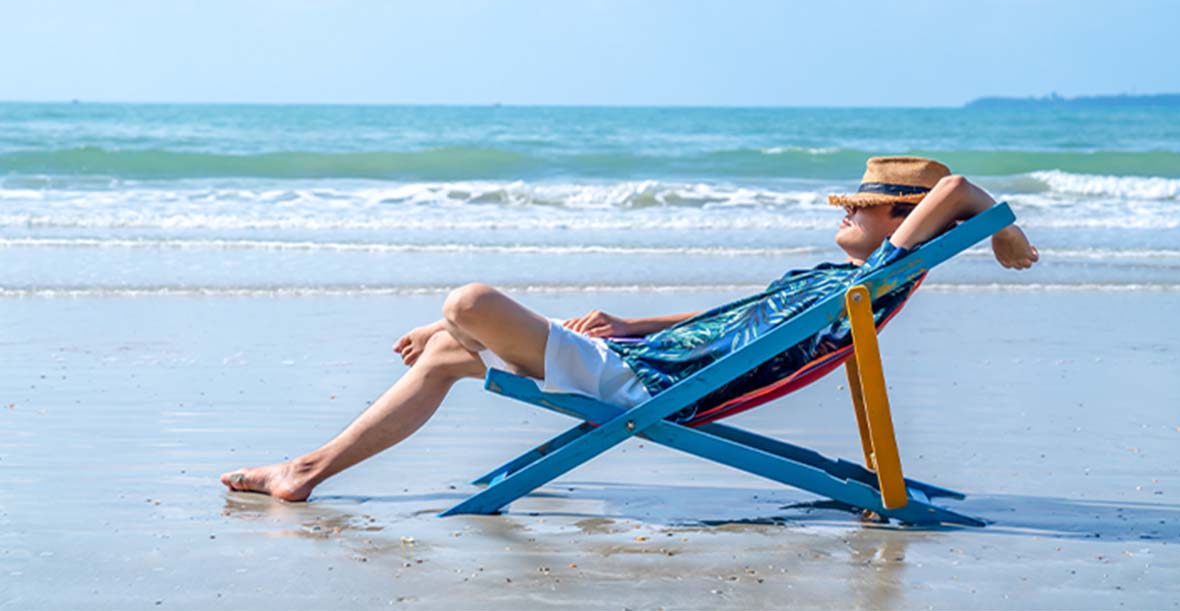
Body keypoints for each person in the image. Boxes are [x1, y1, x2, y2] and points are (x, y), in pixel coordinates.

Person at [221, 156, 1038, 501]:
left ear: (901, 222)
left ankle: (315, 459)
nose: (849, 210)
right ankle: (306, 469)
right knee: (443, 350)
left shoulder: (872, 277)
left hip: (643, 386)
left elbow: (958, 189)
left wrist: (1001, 229)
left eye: (864, 205)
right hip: (637, 359)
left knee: (466, 303)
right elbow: (735, 326)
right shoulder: (833, 280)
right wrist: (630, 322)